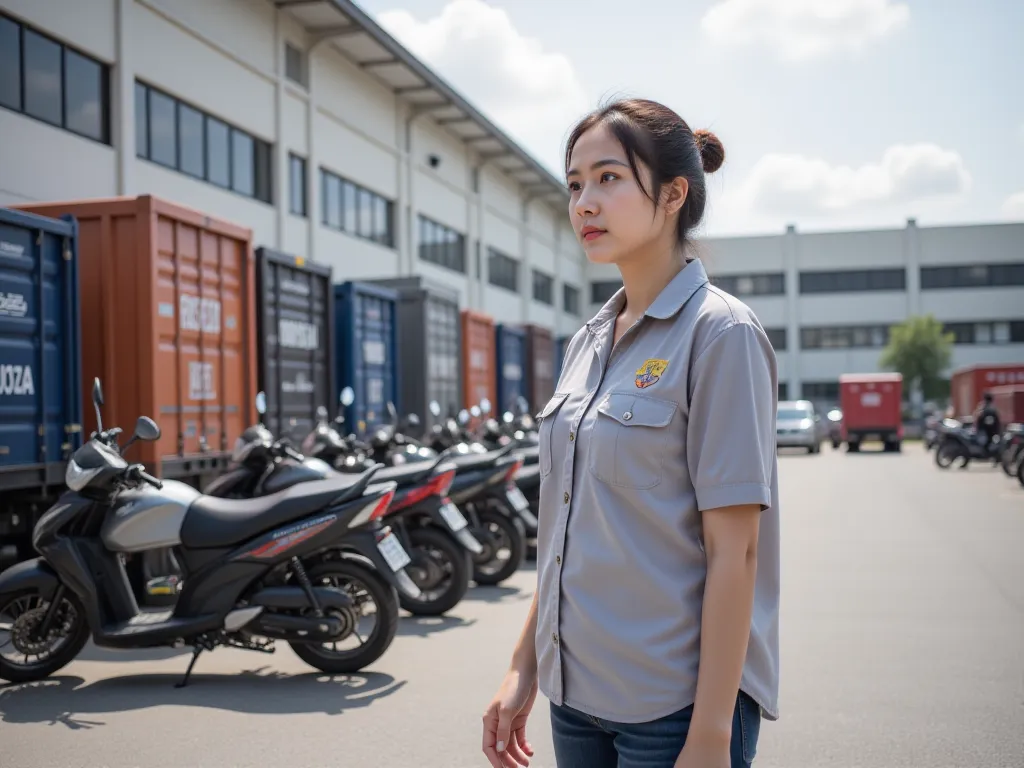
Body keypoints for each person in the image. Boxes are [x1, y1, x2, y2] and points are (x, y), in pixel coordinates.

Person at [481, 98, 781, 768]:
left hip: (671, 708)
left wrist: (708, 733)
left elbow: (736, 555)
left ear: (673, 193)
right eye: (575, 183)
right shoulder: (587, 342)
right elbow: (563, 532)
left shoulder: (720, 335)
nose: (585, 201)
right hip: (575, 698)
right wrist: (522, 670)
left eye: (609, 178)